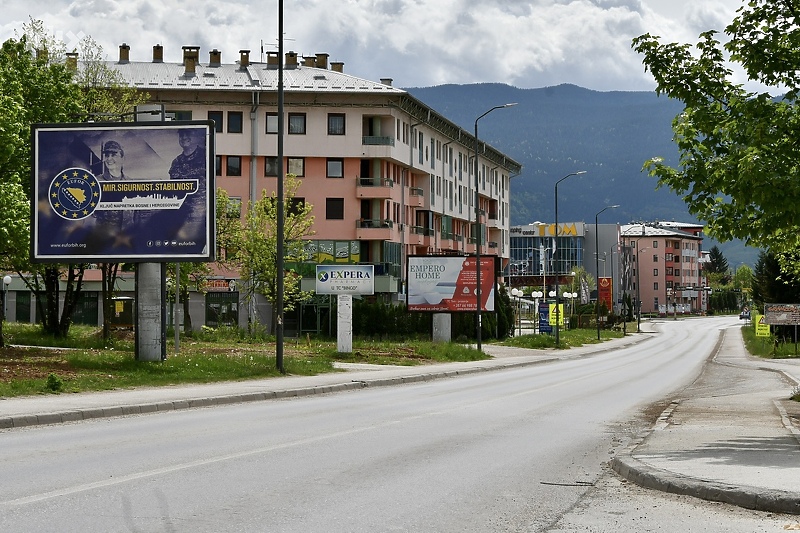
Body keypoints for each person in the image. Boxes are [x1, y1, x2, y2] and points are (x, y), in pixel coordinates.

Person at [168, 129, 207, 242]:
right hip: (182, 219)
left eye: (188, 134)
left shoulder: (205, 156)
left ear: (195, 136)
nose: (184, 137)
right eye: (181, 135)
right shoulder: (176, 162)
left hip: (200, 218)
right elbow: (173, 190)